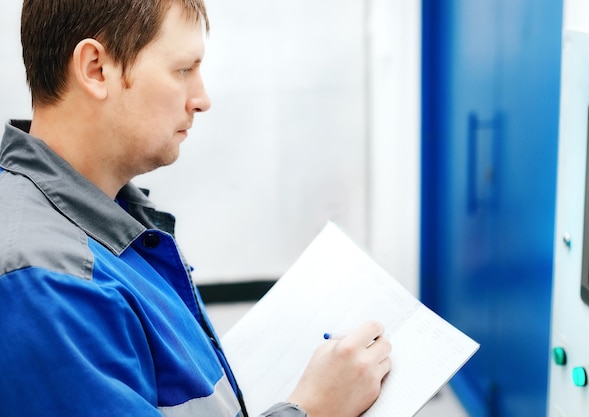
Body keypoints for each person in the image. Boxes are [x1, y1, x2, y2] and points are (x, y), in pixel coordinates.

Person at [0, 0, 392, 416]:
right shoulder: (48, 282)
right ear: (96, 68)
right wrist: (313, 410)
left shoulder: (113, 223)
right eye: (183, 70)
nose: (202, 99)